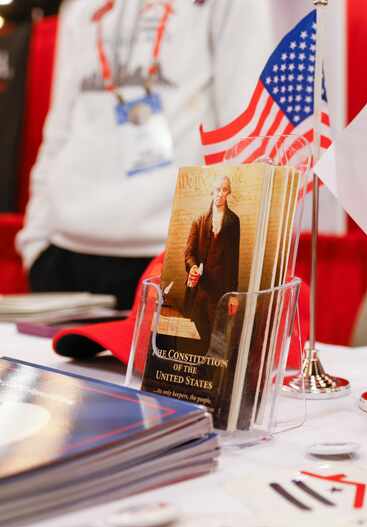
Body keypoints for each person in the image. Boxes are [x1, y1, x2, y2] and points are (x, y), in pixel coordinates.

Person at [16, 0, 276, 309]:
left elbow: (243, 129)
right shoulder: (79, 5)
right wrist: (36, 244)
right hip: (63, 255)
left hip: (171, 254)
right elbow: (59, 128)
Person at [183, 175, 240, 350]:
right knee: (195, 340)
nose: (220, 194)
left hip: (220, 292)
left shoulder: (233, 221)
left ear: (228, 192)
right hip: (199, 289)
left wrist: (233, 295)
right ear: (212, 191)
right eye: (217, 189)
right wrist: (192, 267)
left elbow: (233, 261)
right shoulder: (199, 220)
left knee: (218, 340)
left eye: (224, 190)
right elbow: (189, 253)